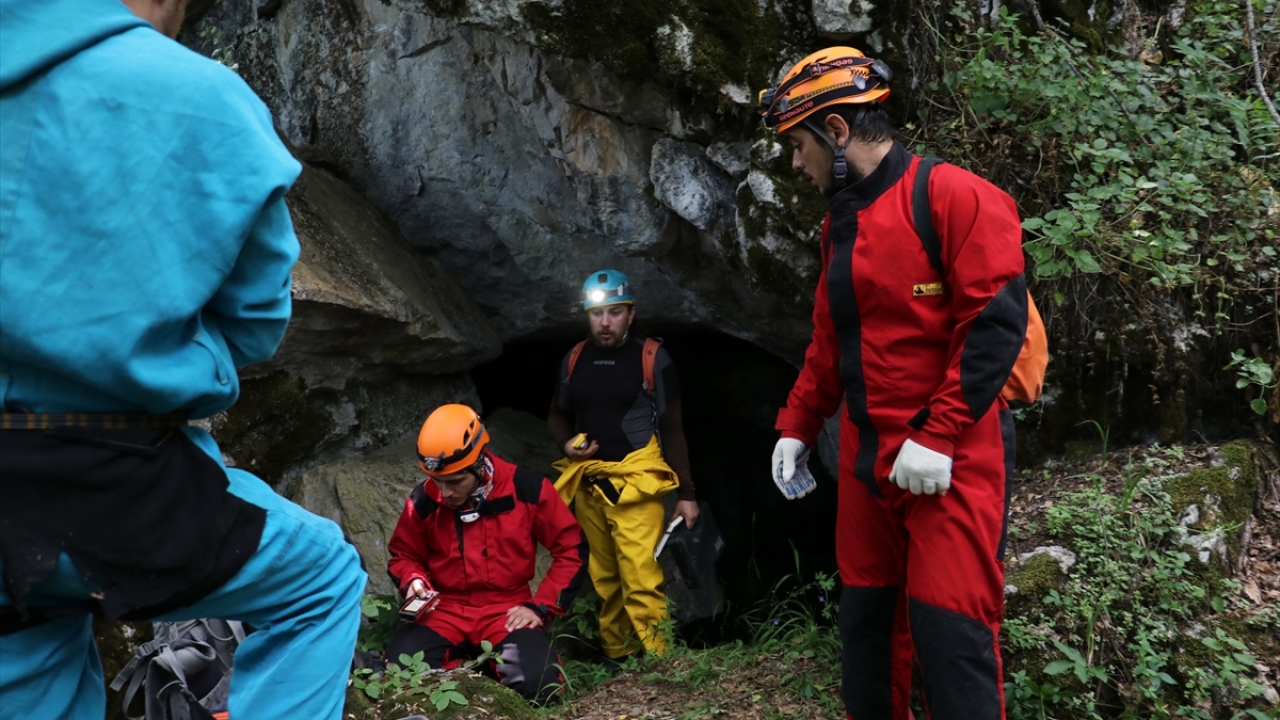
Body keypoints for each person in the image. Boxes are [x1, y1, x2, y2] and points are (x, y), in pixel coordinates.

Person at [0, 1, 368, 719]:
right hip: (115, 478)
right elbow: (256, 321)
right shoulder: (206, 100)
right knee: (321, 581)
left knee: (27, 649)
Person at [759, 47, 1029, 719]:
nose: (797, 164)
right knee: (868, 634)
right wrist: (795, 424)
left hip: (954, 457)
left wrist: (937, 436)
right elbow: (831, 338)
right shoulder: (840, 225)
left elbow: (994, 327)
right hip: (866, 459)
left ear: (839, 133)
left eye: (800, 145)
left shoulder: (957, 197)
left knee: (952, 635)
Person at [386, 404, 588, 703]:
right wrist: (413, 581)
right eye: (437, 481)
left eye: (455, 482)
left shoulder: (527, 488)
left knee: (540, 687)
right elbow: (403, 555)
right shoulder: (425, 499)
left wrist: (540, 607)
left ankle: (483, 675)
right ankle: (472, 679)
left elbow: (571, 550)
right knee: (400, 673)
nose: (444, 493)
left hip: (505, 611)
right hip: (443, 609)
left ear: (479, 465)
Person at [547, 269, 700, 663]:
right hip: (591, 483)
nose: (605, 322)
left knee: (641, 581)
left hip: (637, 481)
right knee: (605, 579)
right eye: (597, 314)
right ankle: (619, 659)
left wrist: (687, 495)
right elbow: (557, 414)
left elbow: (673, 428)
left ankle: (663, 662)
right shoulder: (575, 358)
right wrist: (567, 443)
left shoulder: (652, 357)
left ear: (630, 314)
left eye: (615, 312)